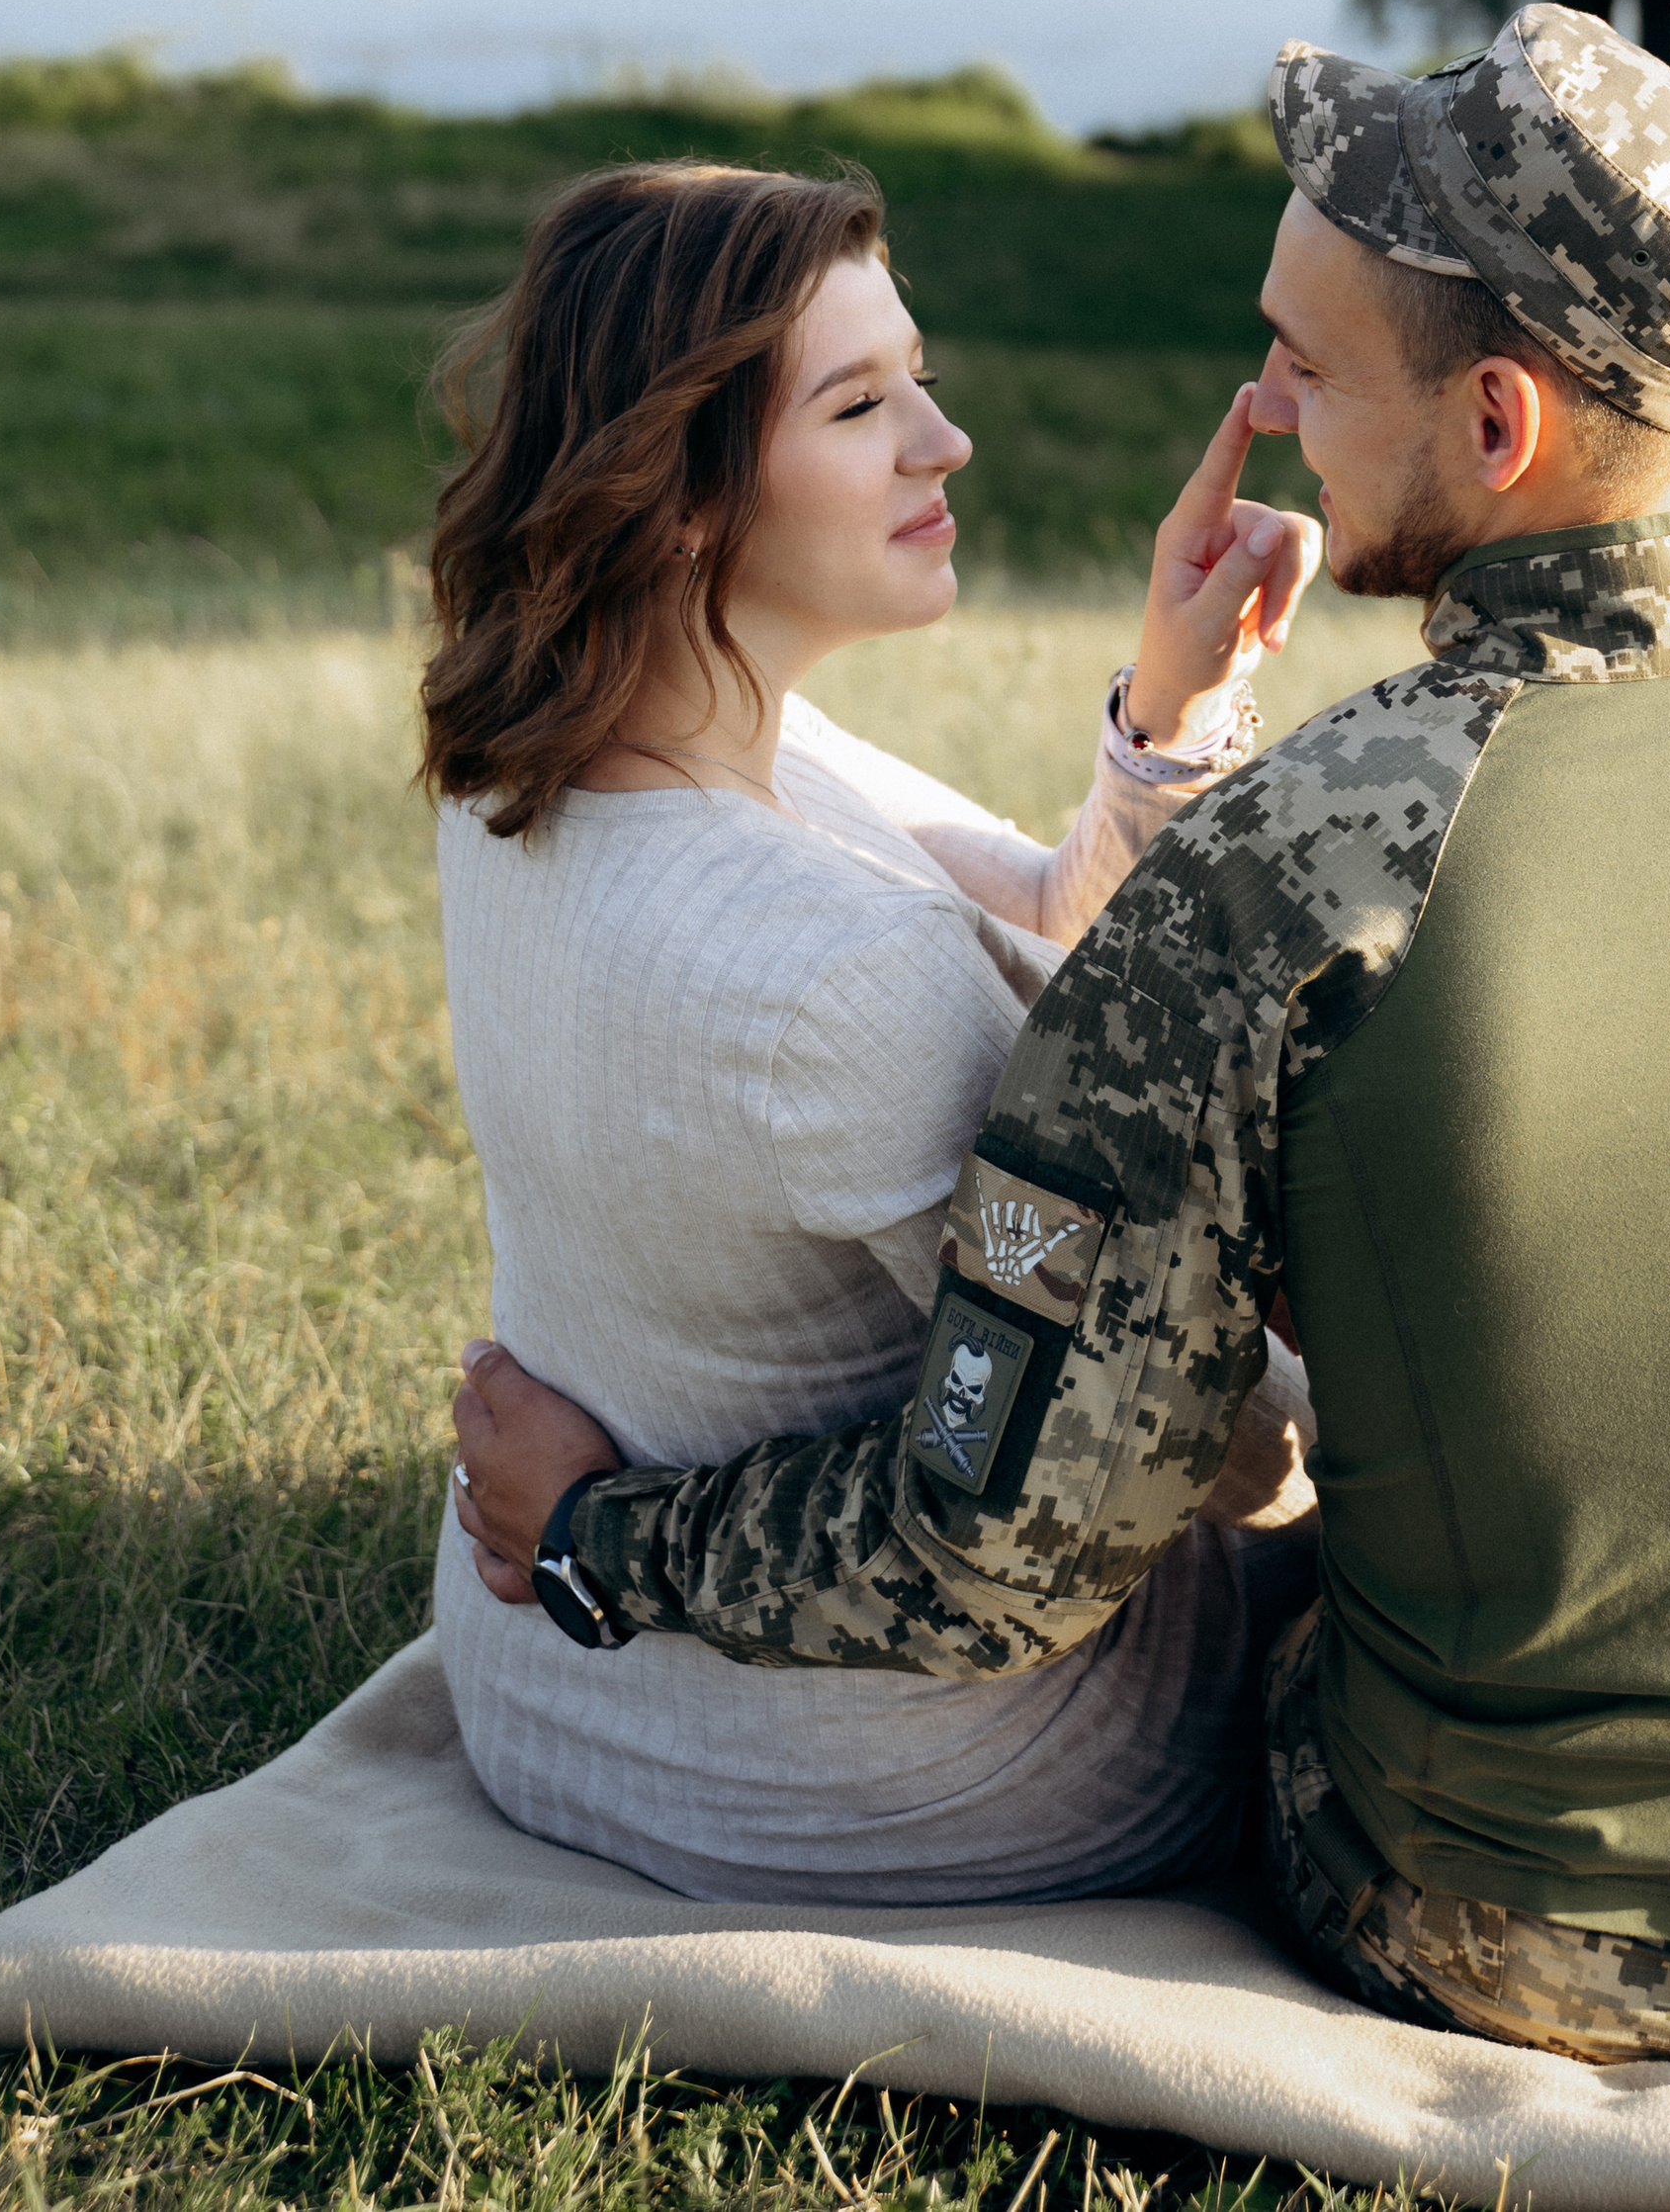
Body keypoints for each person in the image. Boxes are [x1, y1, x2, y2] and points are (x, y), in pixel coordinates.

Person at [453, 10, 1670, 2064]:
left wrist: (596, 1532)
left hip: (1478, 1919)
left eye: (1309, 365)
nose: (1265, 405)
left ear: (1500, 424)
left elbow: (1009, 1546)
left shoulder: (1296, 859)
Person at [419, 154, 1322, 1906]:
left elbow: (1043, 909)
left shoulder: (558, 751)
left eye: (918, 375)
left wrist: (1168, 706)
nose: (943, 440)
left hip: (539, 1676)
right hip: (891, 1773)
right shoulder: (833, 975)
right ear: (680, 492)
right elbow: (1208, 1457)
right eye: (858, 402)